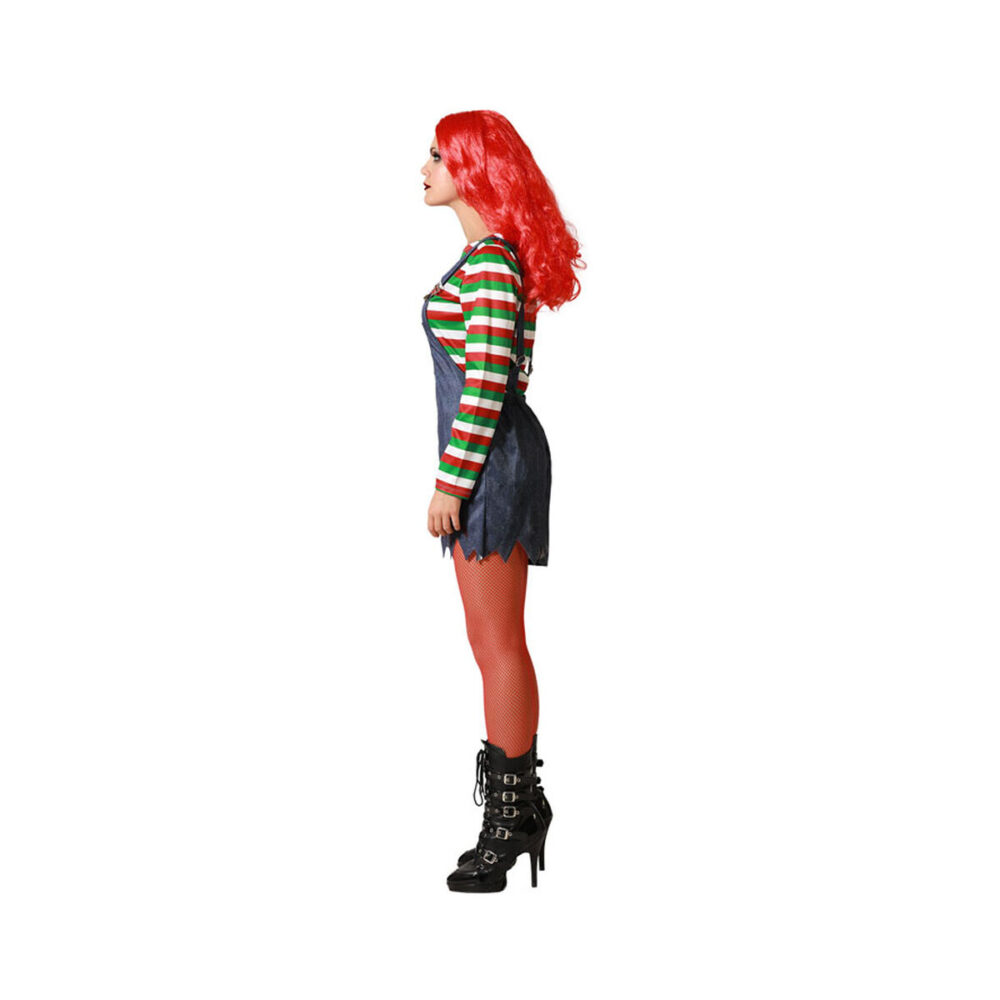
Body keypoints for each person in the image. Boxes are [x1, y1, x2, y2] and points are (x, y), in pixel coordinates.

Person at [419, 110, 585, 892]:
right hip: (496, 456)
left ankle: (511, 819)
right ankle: (523, 807)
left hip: (491, 462)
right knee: (494, 641)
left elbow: (488, 383)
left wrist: (452, 482)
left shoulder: (489, 264)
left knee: (497, 644)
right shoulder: (491, 260)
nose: (425, 167)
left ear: (473, 169)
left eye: (438, 155)